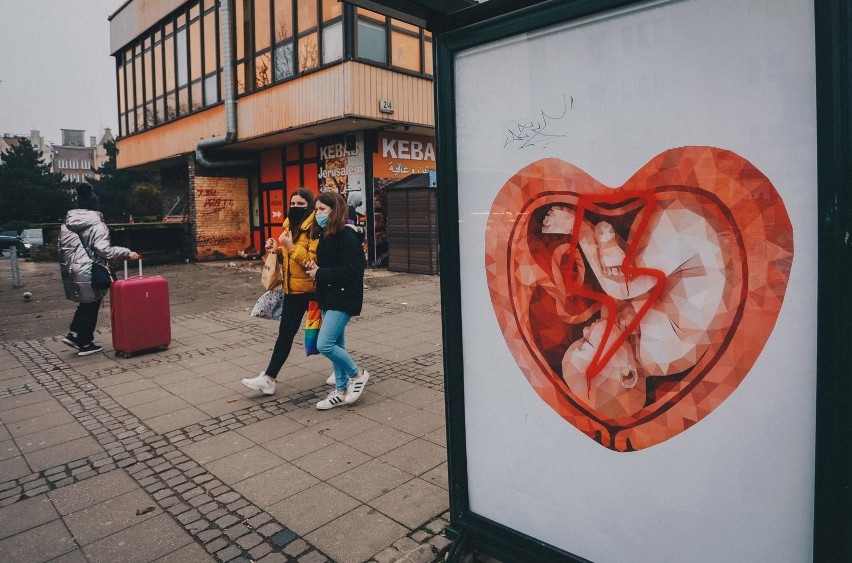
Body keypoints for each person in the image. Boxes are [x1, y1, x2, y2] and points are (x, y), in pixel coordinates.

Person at [241, 188, 320, 395]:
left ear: (309, 206)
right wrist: (275, 250)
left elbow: (313, 263)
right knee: (285, 335)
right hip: (293, 291)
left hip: (315, 291)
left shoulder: (315, 228)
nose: (295, 208)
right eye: (292, 204)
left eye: (300, 205)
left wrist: (291, 246)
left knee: (327, 337)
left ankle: (345, 372)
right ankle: (269, 378)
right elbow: (288, 261)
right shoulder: (288, 226)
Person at [305, 191, 369, 409]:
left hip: (343, 298)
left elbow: (354, 270)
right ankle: (340, 391)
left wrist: (320, 274)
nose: (318, 214)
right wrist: (316, 270)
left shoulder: (346, 236)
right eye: (316, 209)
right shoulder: (326, 234)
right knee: (337, 344)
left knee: (325, 344)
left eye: (322, 209)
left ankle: (357, 374)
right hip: (329, 296)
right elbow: (330, 266)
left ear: (335, 210)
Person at [59, 182, 140, 356]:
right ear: (94, 206)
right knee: (92, 305)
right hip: (90, 269)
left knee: (85, 304)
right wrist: (127, 252)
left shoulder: (67, 223)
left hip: (74, 268)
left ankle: (74, 334)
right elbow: (104, 250)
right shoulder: (97, 224)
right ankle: (85, 343)